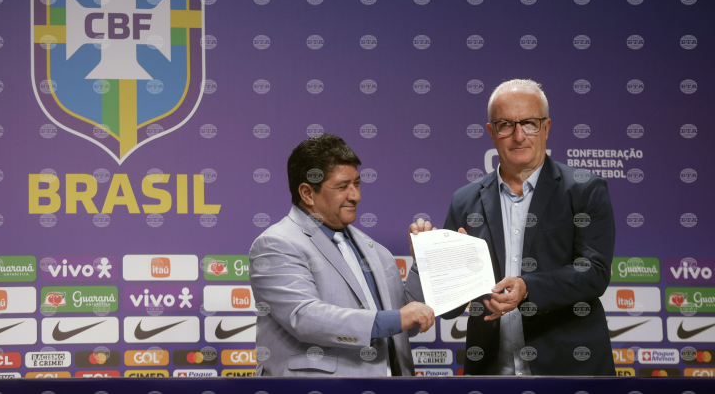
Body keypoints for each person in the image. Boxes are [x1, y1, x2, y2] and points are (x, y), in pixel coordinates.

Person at [405, 79, 616, 375]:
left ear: (546, 127)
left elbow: (595, 273)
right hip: (491, 373)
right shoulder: (465, 201)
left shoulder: (584, 189)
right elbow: (450, 309)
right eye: (505, 125)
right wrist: (430, 261)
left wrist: (527, 288)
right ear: (491, 132)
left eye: (529, 123)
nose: (519, 136)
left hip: (568, 372)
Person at [250, 134, 434, 376]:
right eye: (342, 186)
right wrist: (396, 319)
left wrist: (422, 263)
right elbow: (304, 317)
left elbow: (405, 324)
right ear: (307, 193)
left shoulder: (374, 249)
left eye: (357, 183)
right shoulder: (276, 243)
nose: (355, 195)